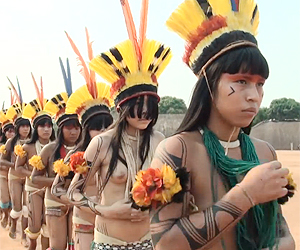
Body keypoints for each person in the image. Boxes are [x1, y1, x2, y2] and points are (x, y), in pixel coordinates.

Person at [147, 0, 296, 249]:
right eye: (240, 81)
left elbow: (279, 228)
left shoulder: (264, 152)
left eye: (260, 84)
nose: (254, 95)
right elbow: (164, 243)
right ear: (210, 83)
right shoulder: (178, 149)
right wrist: (246, 194)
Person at [67, 1, 172, 249]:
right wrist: (107, 210)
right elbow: (73, 192)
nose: (145, 111)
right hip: (108, 242)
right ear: (121, 108)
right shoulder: (101, 143)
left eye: (151, 104)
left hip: (148, 242)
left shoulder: (160, 142)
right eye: (138, 103)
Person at [51, 29, 114, 250]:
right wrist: (82, 202)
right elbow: (56, 189)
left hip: (113, 224)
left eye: (108, 126)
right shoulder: (75, 156)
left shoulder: (121, 152)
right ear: (86, 130)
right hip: (85, 220)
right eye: (98, 128)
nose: (104, 131)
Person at [30, 63, 82, 250]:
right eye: (69, 127)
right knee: (58, 246)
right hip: (54, 201)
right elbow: (34, 178)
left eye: (77, 127)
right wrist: (58, 181)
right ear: (61, 129)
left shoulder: (87, 149)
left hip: (78, 201)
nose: (74, 131)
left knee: (74, 246)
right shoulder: (49, 149)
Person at [16, 76, 55, 250]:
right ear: (36, 128)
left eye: (49, 125)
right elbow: (17, 167)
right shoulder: (28, 146)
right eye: (42, 126)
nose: (46, 129)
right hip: (33, 189)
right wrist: (33, 176)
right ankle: (31, 244)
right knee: (35, 225)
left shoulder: (56, 146)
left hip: (52, 190)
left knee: (49, 225)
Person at [3, 100, 31, 245]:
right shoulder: (11, 142)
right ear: (18, 128)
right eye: (23, 126)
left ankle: (24, 237)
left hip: (28, 178)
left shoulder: (32, 141)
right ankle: (13, 224)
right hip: (14, 177)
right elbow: (2, 161)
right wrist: (14, 164)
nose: (25, 129)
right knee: (17, 208)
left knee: (27, 208)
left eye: (28, 126)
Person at [0, 109, 15, 228]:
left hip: (14, 176)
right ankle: (5, 215)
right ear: (5, 133)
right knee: (5, 199)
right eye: (9, 132)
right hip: (2, 175)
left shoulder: (18, 145)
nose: (11, 134)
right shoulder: (1, 146)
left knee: (13, 200)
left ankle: (10, 218)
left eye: (13, 131)